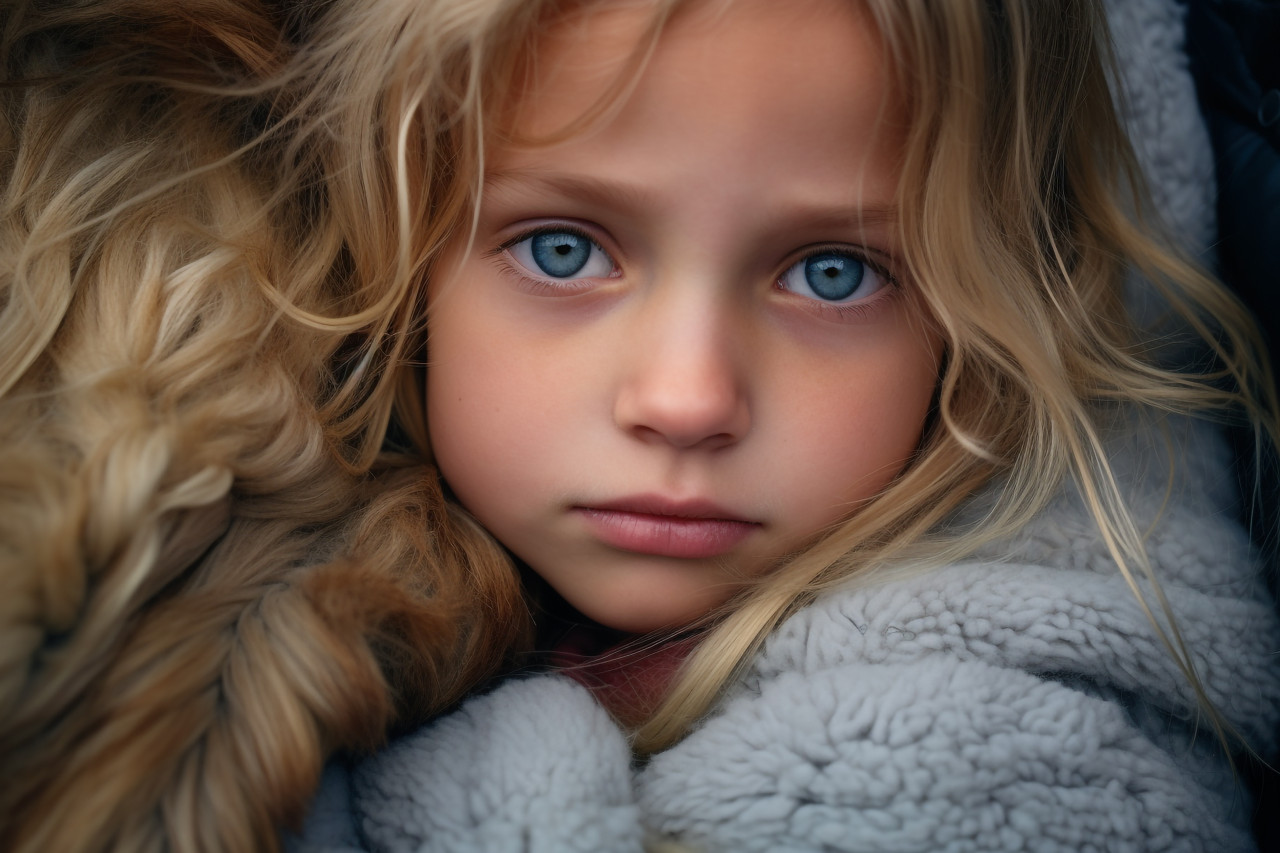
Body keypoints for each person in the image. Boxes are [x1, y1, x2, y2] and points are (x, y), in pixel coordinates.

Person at [3, 1, 1277, 852]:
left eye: (832, 272)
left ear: (980, 315)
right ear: (395, 249)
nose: (685, 399)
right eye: (563, 250)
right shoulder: (205, 582)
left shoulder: (1017, 665)